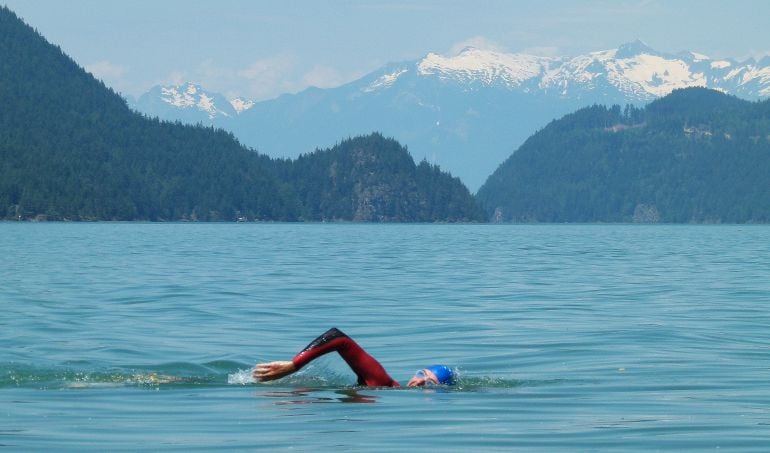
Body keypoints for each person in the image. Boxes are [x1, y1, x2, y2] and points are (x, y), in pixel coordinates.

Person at [253, 327, 455, 387]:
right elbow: (338, 338)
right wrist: (294, 366)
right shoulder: (383, 384)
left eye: (430, 384)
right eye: (422, 374)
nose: (420, 382)